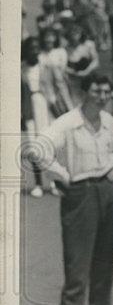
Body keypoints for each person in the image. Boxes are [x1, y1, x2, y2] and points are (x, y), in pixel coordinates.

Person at [39, 72, 113, 305]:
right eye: (97, 91)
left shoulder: (108, 121)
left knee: (105, 262)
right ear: (84, 93)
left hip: (108, 191)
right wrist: (60, 175)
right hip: (79, 195)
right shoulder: (67, 122)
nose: (103, 96)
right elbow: (37, 149)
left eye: (107, 92)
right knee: (77, 269)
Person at [21, 37, 60, 197]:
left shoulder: (44, 66)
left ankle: (53, 182)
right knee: (33, 146)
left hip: (43, 105)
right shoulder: (21, 68)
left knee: (48, 144)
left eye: (37, 47)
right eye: (31, 48)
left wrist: (57, 110)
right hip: (28, 107)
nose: (34, 51)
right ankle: (38, 183)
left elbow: (52, 89)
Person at [38, 27, 74, 117]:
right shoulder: (40, 54)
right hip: (46, 85)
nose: (49, 39)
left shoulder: (61, 52)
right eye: (46, 36)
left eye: (51, 36)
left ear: (55, 38)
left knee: (67, 104)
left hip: (61, 83)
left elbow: (62, 68)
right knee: (53, 107)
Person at [64, 21, 100, 101]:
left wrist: (86, 71)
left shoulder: (89, 44)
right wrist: (73, 72)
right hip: (74, 79)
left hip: (88, 77)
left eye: (77, 33)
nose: (74, 36)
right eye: (72, 33)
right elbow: (64, 66)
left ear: (81, 34)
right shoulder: (66, 48)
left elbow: (96, 61)